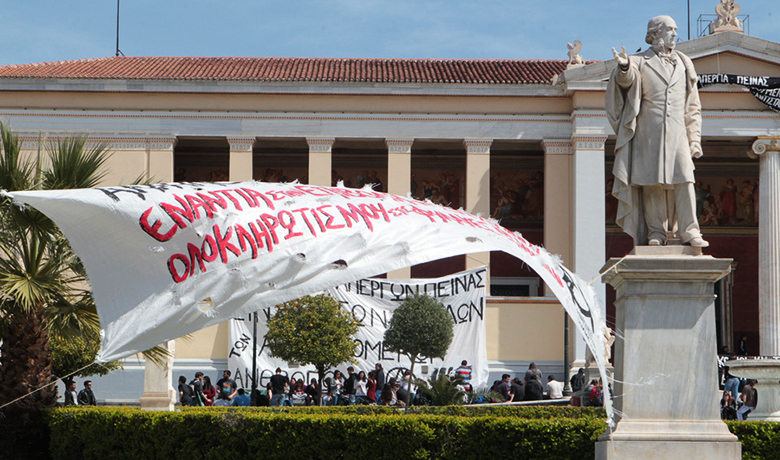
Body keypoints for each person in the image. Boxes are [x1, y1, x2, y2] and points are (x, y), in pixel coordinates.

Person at [606, 15, 708, 248]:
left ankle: (690, 230)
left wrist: (695, 140)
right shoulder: (639, 61)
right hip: (647, 133)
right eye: (669, 29)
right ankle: (656, 232)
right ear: (655, 33)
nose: (674, 34)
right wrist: (623, 67)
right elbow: (626, 81)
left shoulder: (684, 63)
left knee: (685, 180)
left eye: (675, 29)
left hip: (678, 133)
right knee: (652, 184)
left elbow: (693, 107)